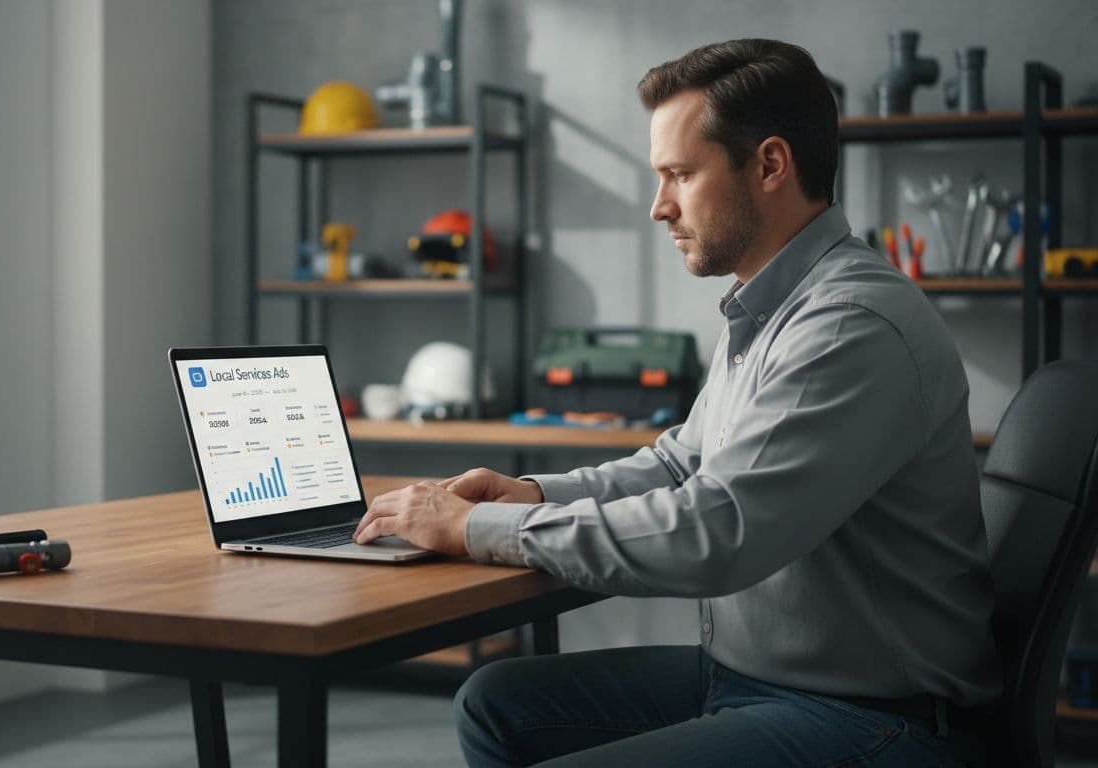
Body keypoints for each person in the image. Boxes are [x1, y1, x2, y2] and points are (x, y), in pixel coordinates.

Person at [353, 38, 1001, 767]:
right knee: (495, 703)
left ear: (770, 166)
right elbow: (680, 465)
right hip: (756, 680)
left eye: (680, 174)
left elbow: (716, 532)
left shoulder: (849, 325)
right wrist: (532, 491)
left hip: (875, 717)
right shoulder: (772, 306)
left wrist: (483, 529)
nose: (659, 207)